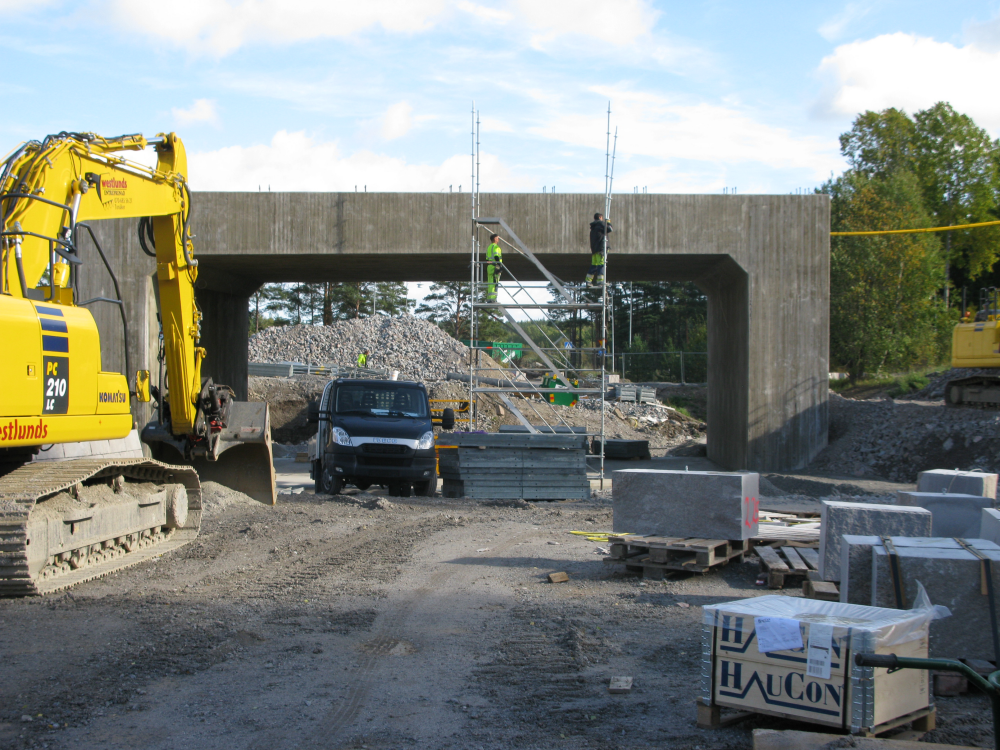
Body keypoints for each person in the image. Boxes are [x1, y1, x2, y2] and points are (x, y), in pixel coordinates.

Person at [586, 212, 613, 285]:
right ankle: (600, 281)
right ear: (600, 217)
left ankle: (588, 281)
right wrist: (608, 222)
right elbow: (610, 229)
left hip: (594, 249)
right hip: (601, 248)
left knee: (594, 265)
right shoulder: (601, 224)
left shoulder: (593, 227)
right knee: (601, 264)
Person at [486, 233, 503, 302]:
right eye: (497, 238)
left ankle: (490, 298)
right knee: (495, 283)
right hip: (494, 266)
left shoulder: (489, 247)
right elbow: (496, 256)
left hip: (490, 267)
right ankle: (493, 299)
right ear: (494, 239)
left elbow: (487, 259)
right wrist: (499, 265)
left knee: (490, 283)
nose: (498, 239)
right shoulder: (496, 247)